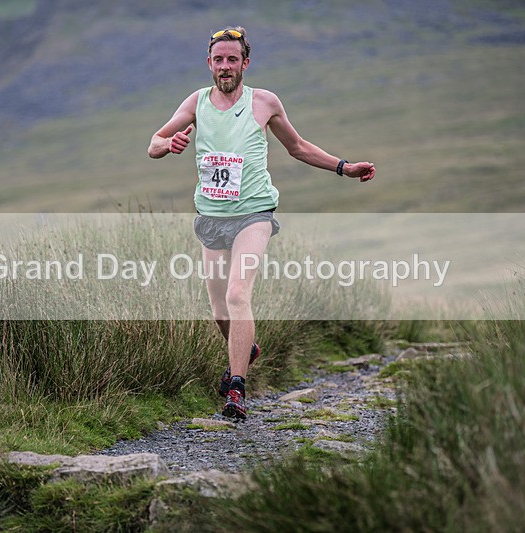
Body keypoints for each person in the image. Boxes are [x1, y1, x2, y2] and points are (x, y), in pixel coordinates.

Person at [148, 26, 375, 419]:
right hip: (211, 217)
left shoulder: (264, 102)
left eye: (232, 59)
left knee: (238, 295)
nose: (225, 66)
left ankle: (236, 388)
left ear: (245, 63)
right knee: (220, 310)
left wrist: (344, 167)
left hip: (254, 214)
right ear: (209, 63)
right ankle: (246, 346)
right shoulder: (196, 102)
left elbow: (298, 147)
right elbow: (153, 144)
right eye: (218, 59)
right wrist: (169, 144)